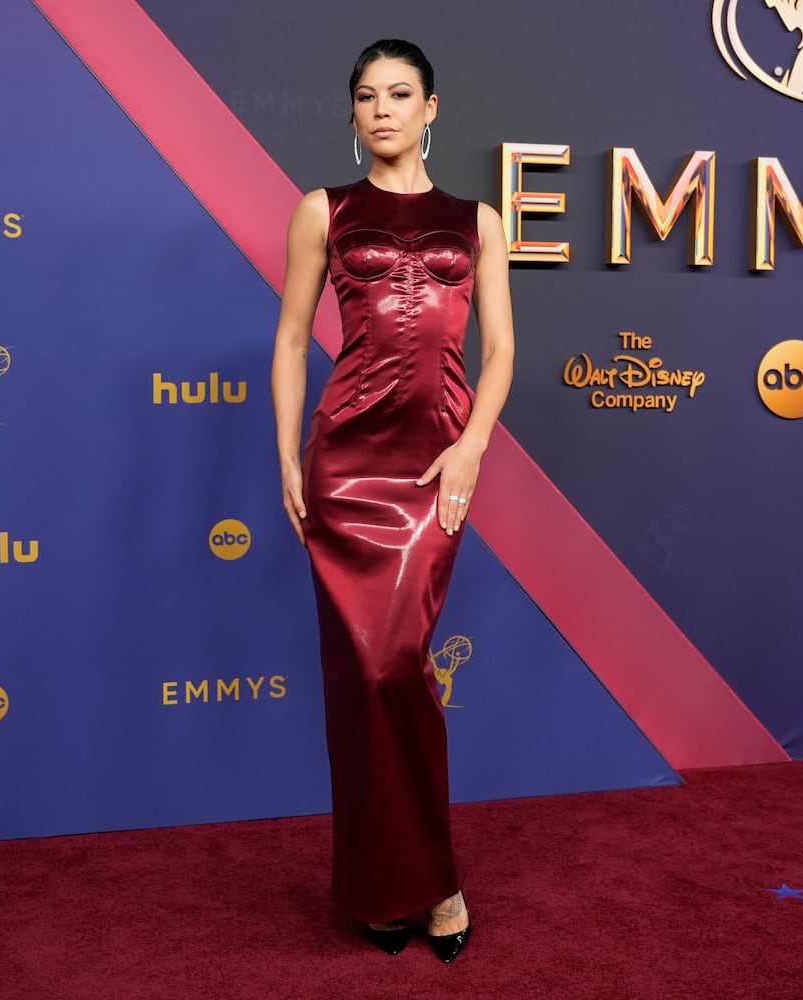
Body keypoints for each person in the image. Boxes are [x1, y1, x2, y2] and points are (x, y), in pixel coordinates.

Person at [270, 38, 514, 964]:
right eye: (366, 95)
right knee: (361, 678)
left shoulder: (477, 218)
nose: (382, 109)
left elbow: (503, 350)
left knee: (401, 669)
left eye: (400, 94)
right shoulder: (320, 209)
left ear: (432, 108)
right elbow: (293, 338)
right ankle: (381, 886)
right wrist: (290, 456)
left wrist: (471, 450)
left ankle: (436, 881)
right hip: (345, 463)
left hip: (431, 469)